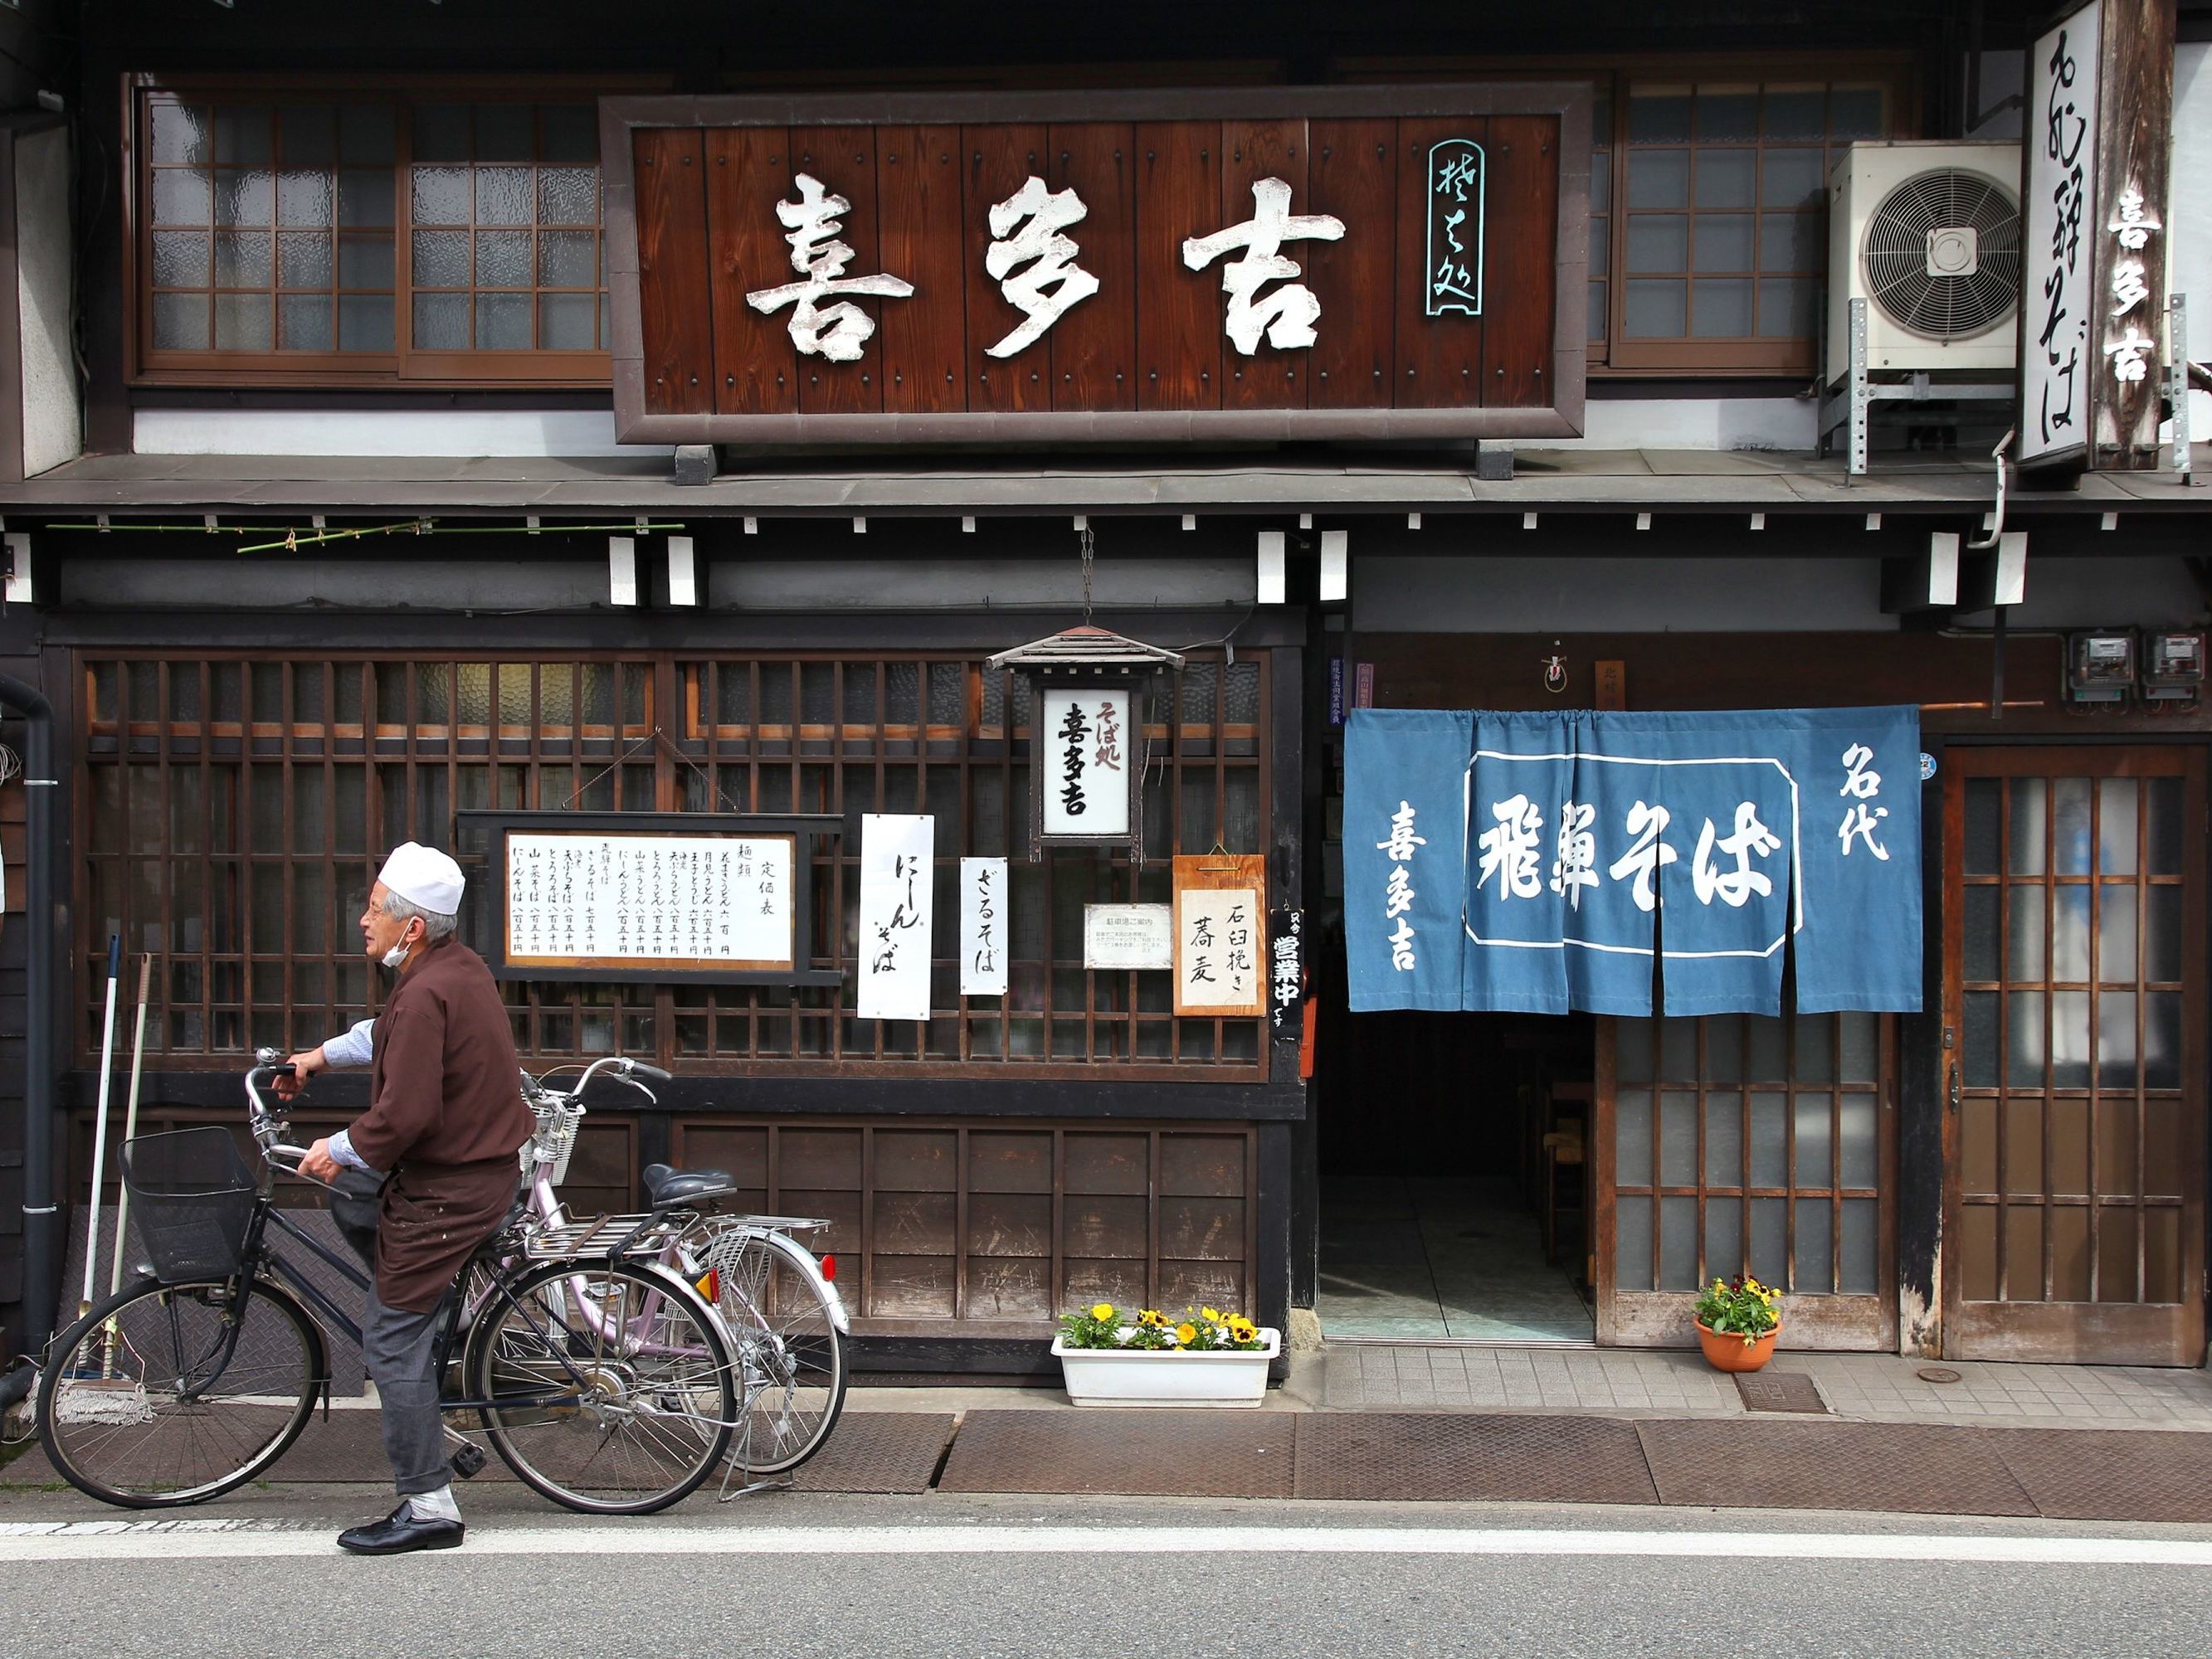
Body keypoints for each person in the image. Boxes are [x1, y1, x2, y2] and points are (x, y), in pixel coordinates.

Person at [292, 841, 532, 1556]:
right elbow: (388, 1036)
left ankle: (429, 1505)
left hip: (449, 1190)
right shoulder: (457, 971)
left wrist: (333, 1149)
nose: (364, 919)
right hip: (478, 1173)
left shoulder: (427, 988)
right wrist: (319, 1056)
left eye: (374, 908)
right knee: (360, 1198)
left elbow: (403, 1116)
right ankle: (421, 1312)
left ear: (412, 926)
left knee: (389, 1337)